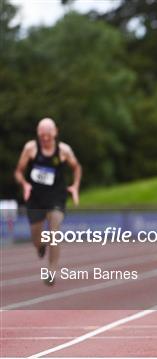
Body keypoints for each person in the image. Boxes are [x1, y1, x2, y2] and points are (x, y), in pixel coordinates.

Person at [14, 118, 82, 286]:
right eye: (42, 135)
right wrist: (24, 184)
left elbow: (77, 167)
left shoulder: (63, 150)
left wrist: (75, 186)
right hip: (36, 197)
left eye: (48, 135)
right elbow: (18, 171)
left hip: (56, 196)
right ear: (38, 133)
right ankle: (40, 246)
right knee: (37, 238)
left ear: (55, 132)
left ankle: (51, 271)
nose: (45, 139)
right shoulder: (31, 148)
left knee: (54, 229)